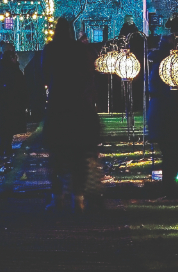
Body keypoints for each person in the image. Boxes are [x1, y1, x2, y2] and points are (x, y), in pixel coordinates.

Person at [42, 17, 100, 212]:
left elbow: (43, 74)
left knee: (57, 158)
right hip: (79, 108)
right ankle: (78, 198)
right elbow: (89, 75)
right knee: (79, 158)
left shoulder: (51, 50)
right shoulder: (80, 50)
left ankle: (57, 197)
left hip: (59, 107)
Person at [147, 36, 178, 196]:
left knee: (171, 153)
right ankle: (168, 187)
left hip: (164, 114)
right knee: (172, 152)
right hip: (168, 115)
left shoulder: (159, 66)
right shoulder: (165, 67)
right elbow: (171, 92)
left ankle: (169, 186)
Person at [0, 45, 27, 157]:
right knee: (8, 127)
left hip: (3, 102)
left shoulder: (0, 66)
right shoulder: (11, 69)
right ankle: (5, 147)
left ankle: (3, 147)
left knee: (4, 128)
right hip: (11, 102)